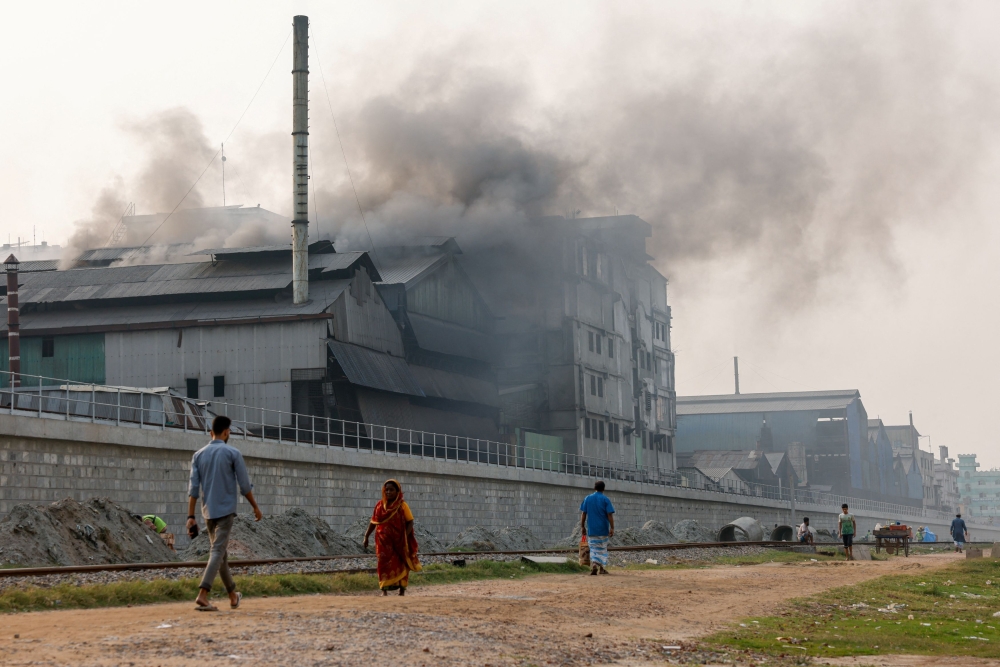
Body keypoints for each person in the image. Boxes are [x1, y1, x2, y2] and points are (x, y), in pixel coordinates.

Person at [186, 415, 263, 612]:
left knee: (221, 555)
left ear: (211, 433)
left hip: (207, 512)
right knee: (217, 552)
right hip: (226, 511)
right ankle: (203, 594)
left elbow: (193, 489)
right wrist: (255, 506)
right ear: (227, 432)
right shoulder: (233, 453)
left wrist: (190, 516)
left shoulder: (198, 455)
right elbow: (244, 485)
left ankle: (232, 595)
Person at [363, 479, 422, 596]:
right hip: (382, 542)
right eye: (387, 490)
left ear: (397, 491)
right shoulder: (379, 506)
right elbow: (373, 522)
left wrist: (404, 535)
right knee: (383, 563)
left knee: (400, 562)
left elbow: (410, 521)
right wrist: (366, 536)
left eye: (391, 490)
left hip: (399, 541)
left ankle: (402, 590)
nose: (388, 492)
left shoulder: (402, 505)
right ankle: (384, 590)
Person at [580, 480, 615, 575]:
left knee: (594, 547)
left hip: (592, 528)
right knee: (602, 548)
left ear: (594, 488)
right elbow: (609, 515)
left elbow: (583, 513)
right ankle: (600, 567)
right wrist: (612, 528)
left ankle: (596, 565)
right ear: (603, 488)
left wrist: (582, 526)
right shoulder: (605, 499)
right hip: (603, 528)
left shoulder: (587, 498)